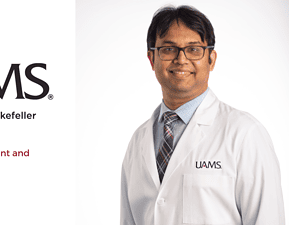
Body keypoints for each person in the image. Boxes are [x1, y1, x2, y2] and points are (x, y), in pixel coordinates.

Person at [120, 5, 285, 225]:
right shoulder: (138, 141)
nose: (181, 59)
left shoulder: (245, 134)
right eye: (168, 49)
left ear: (211, 59)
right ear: (152, 59)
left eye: (194, 49)